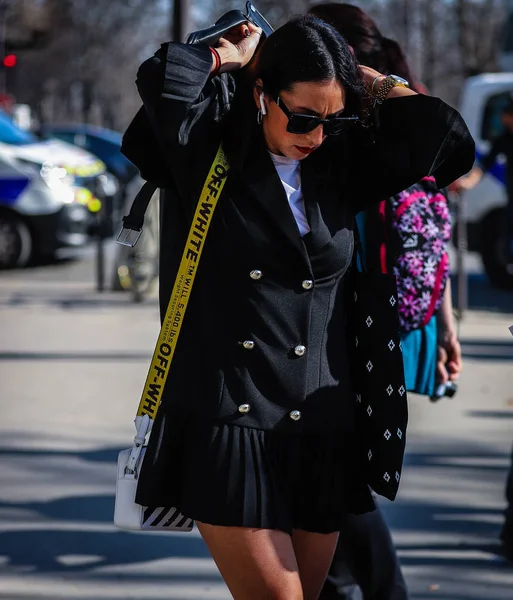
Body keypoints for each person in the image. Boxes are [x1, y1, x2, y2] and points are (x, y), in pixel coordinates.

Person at [126, 14, 474, 599]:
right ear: (263, 94)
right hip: (231, 421)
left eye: (331, 120)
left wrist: (370, 81)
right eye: (303, 116)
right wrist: (229, 56)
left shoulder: (339, 166)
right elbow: (163, 77)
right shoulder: (205, 153)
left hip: (323, 425)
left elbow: (450, 142)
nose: (315, 134)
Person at [308, 4, 463, 599]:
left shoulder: (356, 127)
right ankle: (347, 584)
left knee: (342, 474)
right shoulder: (404, 113)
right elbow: (431, 234)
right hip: (397, 322)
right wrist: (445, 324)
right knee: (341, 472)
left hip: (348, 330)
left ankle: (365, 587)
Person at [457, 100, 513, 270]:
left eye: (506, 115)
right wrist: (468, 182)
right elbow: (485, 165)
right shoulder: (504, 139)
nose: (504, 119)